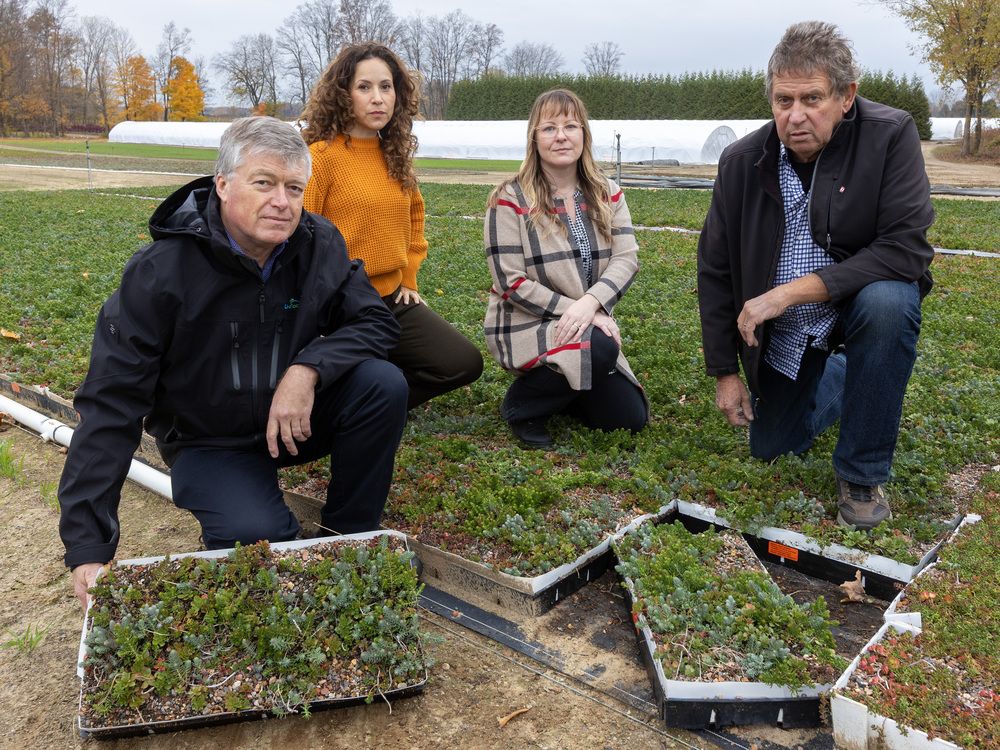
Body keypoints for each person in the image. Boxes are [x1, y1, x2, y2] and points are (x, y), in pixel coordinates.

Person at [59, 116, 409, 609]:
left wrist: (307, 369)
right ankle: (249, 512)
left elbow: (375, 321)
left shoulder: (317, 243)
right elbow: (110, 404)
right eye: (263, 183)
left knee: (381, 384)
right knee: (259, 542)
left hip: (291, 424)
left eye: (294, 187)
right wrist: (89, 546)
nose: (282, 202)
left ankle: (349, 536)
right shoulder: (161, 273)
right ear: (222, 185)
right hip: (210, 442)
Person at [697, 21, 934, 530]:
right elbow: (715, 270)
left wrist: (786, 294)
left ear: (846, 96)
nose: (795, 116)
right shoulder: (742, 162)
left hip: (857, 307)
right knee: (773, 446)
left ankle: (861, 473)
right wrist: (726, 373)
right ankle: (852, 377)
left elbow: (904, 249)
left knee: (889, 304)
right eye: (784, 100)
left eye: (812, 99)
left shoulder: (889, 136)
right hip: (791, 330)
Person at [300, 43, 483, 410]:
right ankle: (359, 404)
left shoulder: (395, 156)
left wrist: (409, 277)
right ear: (342, 94)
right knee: (364, 376)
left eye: (386, 87)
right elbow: (298, 239)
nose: (378, 98)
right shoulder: (319, 158)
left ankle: (379, 401)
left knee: (463, 363)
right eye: (364, 87)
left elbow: (414, 221)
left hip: (390, 298)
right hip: (340, 305)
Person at [483, 89, 648, 449]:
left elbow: (627, 259)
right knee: (601, 348)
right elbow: (510, 281)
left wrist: (590, 305)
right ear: (534, 139)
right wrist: (578, 312)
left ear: (584, 136)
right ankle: (523, 406)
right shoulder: (508, 199)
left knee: (628, 420)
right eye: (549, 128)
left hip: (586, 322)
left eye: (571, 126)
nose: (561, 136)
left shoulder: (608, 193)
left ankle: (567, 389)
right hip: (527, 322)